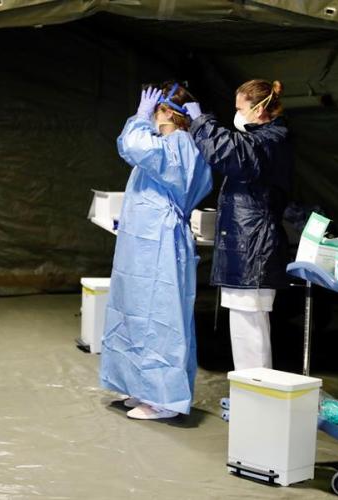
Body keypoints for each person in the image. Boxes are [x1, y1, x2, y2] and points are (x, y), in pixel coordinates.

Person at [100, 82, 213, 420]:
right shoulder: (164, 143)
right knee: (135, 312)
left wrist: (138, 118)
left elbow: (132, 145)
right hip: (143, 243)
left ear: (165, 112)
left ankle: (164, 399)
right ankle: (142, 387)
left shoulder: (180, 143)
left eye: (154, 110)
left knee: (161, 318)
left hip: (161, 242)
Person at [185, 79, 292, 374]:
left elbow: (230, 152)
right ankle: (249, 392)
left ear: (259, 110)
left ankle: (257, 392)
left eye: (240, 108)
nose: (236, 114)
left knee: (251, 332)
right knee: (245, 331)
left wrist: (201, 122)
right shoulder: (261, 140)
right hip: (247, 249)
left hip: (254, 250)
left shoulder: (270, 141)